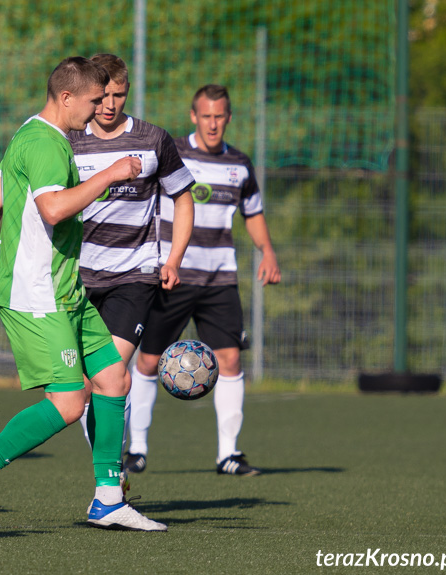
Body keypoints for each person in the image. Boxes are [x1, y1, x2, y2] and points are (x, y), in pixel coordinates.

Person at [0, 57, 165, 531]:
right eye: (92, 100)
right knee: (68, 402)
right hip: (36, 292)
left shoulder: (33, 133)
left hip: (67, 289)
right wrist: (110, 174)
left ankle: (108, 499)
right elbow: (55, 208)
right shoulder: (43, 142)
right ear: (66, 98)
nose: (99, 108)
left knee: (112, 379)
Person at [128, 84, 281, 477]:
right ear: (194, 117)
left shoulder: (241, 164)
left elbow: (253, 211)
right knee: (147, 360)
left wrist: (267, 251)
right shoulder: (171, 153)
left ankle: (228, 454)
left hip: (220, 278)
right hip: (172, 276)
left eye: (220, 116)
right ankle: (137, 448)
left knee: (229, 359)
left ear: (229, 118)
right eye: (206, 116)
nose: (213, 124)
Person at [67, 54, 195, 460]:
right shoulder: (69, 139)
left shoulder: (154, 139)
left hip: (135, 276)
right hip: (78, 276)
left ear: (127, 92)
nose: (108, 105)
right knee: (86, 387)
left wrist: (174, 258)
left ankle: (111, 473)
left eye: (118, 96)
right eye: (101, 96)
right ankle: (108, 467)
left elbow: (184, 197)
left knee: (112, 374)